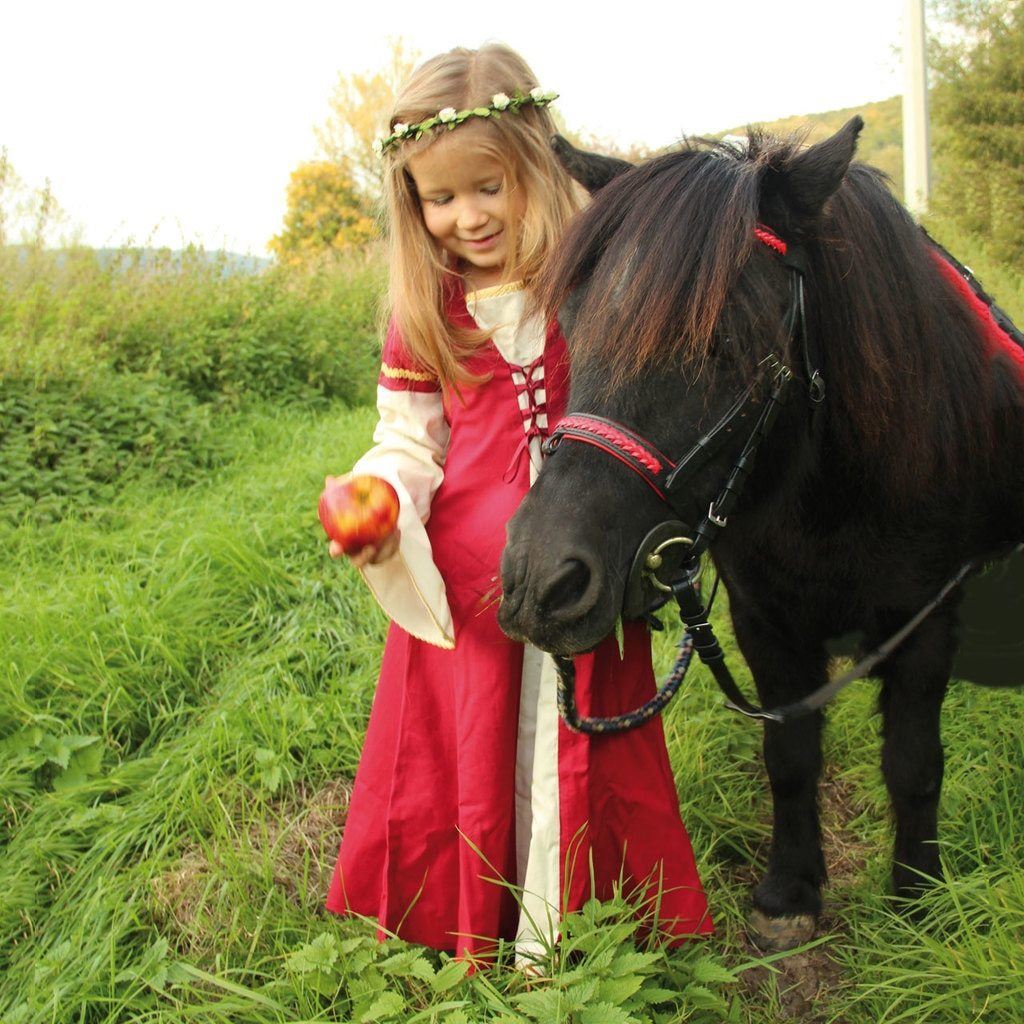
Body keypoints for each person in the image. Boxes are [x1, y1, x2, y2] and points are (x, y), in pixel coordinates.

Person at [323, 43, 711, 965]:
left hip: (588, 553)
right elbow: (411, 440)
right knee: (479, 749)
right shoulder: (432, 308)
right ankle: (484, 921)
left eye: (487, 186)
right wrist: (380, 494)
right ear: (412, 202)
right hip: (473, 578)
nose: (466, 217)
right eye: (440, 197)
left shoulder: (597, 280)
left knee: (580, 742)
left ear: (535, 161)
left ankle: (579, 924)